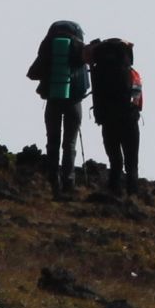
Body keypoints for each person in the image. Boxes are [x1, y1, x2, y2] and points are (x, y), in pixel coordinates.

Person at [23, 19, 89, 196]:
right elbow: (86, 82)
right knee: (70, 143)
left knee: (52, 141)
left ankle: (53, 182)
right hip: (74, 102)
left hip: (53, 100)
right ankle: (69, 182)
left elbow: (32, 73)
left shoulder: (48, 47)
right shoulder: (79, 49)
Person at [88, 35, 142, 198]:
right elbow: (137, 96)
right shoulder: (131, 73)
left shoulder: (98, 72)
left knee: (115, 160)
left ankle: (113, 191)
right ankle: (132, 195)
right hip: (129, 120)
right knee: (131, 162)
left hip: (108, 120)